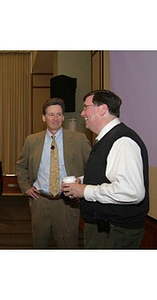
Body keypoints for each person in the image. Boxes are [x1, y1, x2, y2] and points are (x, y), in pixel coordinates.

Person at [62, 89, 149, 248]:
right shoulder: (108, 139)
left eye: (86, 107)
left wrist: (84, 190)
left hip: (113, 233)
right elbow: (107, 176)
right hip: (106, 230)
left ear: (102, 109)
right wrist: (81, 182)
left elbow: (132, 191)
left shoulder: (122, 141)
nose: (82, 113)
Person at [16, 98, 91, 248]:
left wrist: (82, 188)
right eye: (51, 115)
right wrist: (26, 188)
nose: (55, 119)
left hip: (68, 204)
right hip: (40, 202)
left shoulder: (79, 140)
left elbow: (92, 168)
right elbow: (21, 166)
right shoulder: (32, 140)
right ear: (43, 117)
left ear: (63, 117)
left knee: (68, 245)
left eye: (58, 114)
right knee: (40, 244)